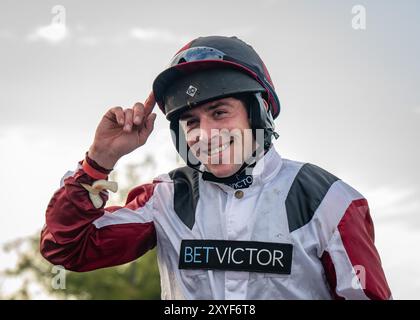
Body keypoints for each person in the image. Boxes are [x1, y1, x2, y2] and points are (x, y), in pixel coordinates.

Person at [40, 36, 391, 300]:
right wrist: (99, 161)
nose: (205, 134)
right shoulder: (163, 198)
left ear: (259, 113)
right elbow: (67, 248)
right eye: (190, 121)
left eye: (220, 113)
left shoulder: (329, 200)